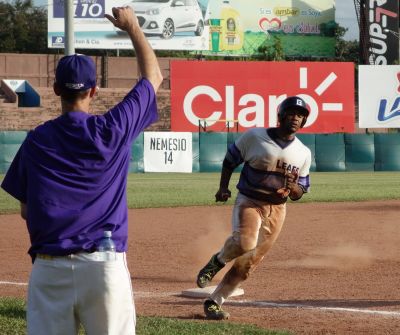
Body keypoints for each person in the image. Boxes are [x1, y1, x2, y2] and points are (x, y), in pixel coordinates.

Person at [1, 6, 162, 335]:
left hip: (49, 269)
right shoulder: (113, 129)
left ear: (57, 90)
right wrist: (132, 27)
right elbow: (153, 78)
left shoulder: (37, 140)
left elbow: (26, 210)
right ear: (94, 90)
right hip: (104, 267)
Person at [196, 96, 312, 320]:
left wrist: (294, 187)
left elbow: (301, 192)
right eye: (292, 113)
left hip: (277, 210)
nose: (295, 118)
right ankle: (216, 262)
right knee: (245, 242)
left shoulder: (303, 152)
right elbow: (230, 161)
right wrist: (223, 188)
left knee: (248, 264)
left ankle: (214, 302)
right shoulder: (255, 136)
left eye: (300, 115)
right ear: (281, 116)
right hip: (250, 200)